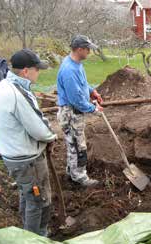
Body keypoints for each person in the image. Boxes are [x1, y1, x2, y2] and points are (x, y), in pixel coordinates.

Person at [0, 49, 57, 236]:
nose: (39, 72)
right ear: (26, 71)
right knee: (39, 200)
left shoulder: (3, 85)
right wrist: (51, 136)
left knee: (28, 195)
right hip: (27, 159)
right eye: (37, 69)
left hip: (13, 156)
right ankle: (37, 238)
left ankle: (27, 233)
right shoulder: (17, 94)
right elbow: (37, 128)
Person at [57, 35, 103, 187]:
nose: (89, 52)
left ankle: (72, 172)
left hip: (75, 111)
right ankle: (79, 178)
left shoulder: (76, 63)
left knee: (74, 144)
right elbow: (76, 99)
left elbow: (81, 84)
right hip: (71, 112)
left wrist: (92, 91)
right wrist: (94, 108)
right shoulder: (69, 70)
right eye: (88, 49)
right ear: (79, 49)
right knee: (78, 146)